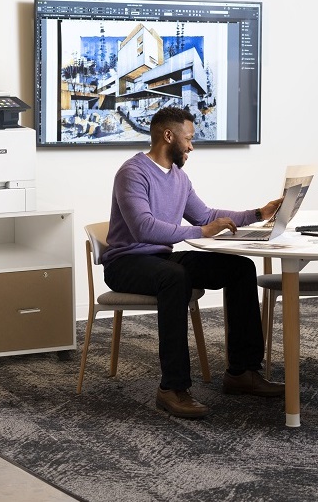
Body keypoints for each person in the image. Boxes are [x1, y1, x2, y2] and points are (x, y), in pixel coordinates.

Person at [102, 106, 285, 419]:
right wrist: (202, 231)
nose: (190, 146)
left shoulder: (178, 178)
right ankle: (172, 388)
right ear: (168, 136)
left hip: (160, 258)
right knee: (174, 277)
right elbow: (143, 227)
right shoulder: (132, 172)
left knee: (239, 268)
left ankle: (242, 373)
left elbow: (207, 216)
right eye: (187, 139)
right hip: (126, 263)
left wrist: (259, 214)